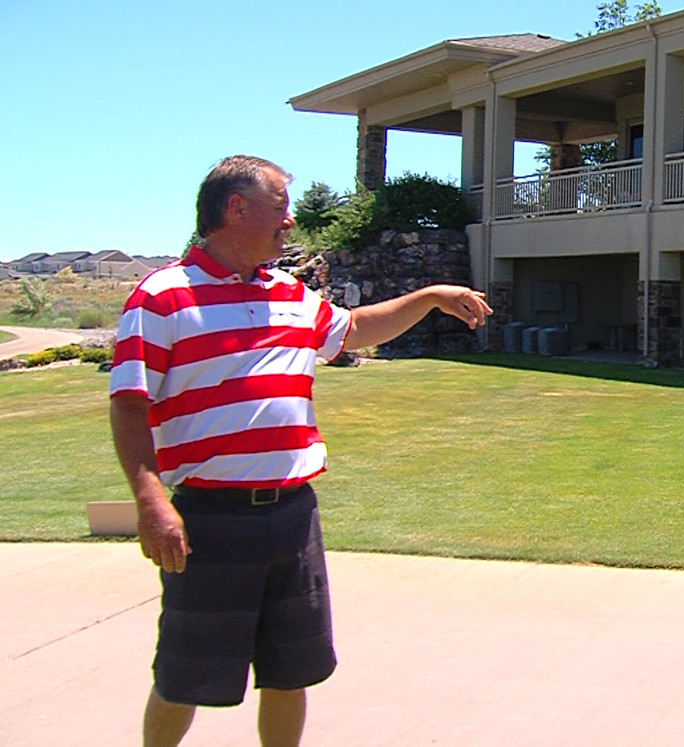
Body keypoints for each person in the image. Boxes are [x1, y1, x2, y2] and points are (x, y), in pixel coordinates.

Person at [109, 155, 492, 747]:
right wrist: (151, 501)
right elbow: (130, 404)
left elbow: (354, 329)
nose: (290, 221)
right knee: (185, 674)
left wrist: (430, 296)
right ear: (236, 209)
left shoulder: (288, 292)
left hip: (293, 515)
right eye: (280, 206)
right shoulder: (162, 298)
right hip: (210, 520)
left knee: (292, 672)